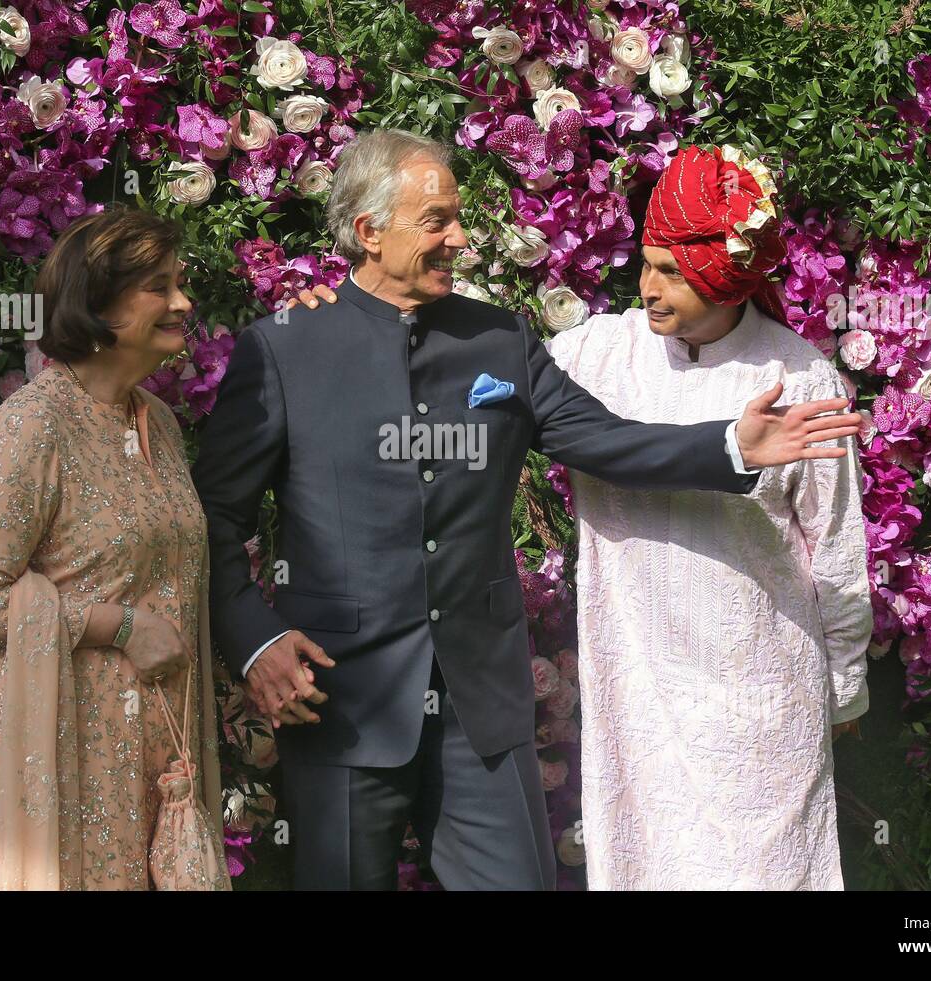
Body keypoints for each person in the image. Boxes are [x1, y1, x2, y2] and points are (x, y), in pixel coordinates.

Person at [195, 129, 861, 891]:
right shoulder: (282, 349)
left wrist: (732, 446)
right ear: (369, 232)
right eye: (437, 220)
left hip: (482, 708)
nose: (459, 236)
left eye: (457, 216)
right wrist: (254, 640)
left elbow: (605, 440)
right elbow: (214, 517)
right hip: (342, 701)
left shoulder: (499, 340)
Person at [545, 144, 872, 889]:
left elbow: (837, 547)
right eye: (648, 262)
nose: (647, 287)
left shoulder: (798, 376)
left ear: (724, 279)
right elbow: (483, 376)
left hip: (759, 701)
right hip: (640, 695)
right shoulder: (599, 353)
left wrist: (843, 682)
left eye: (671, 272)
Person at [0, 208, 232, 890]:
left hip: (155, 750)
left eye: (181, 283)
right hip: (61, 751)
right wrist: (120, 625)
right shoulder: (29, 429)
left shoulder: (156, 421)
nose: (183, 303)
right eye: (159, 287)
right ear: (96, 304)